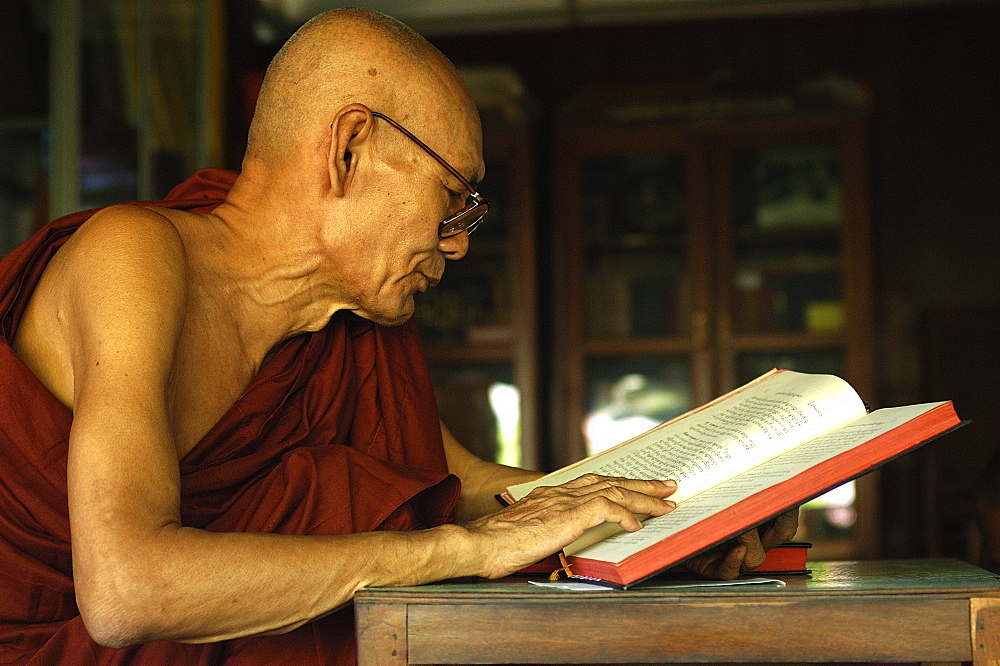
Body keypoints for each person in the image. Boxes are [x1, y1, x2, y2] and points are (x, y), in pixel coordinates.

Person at [0, 8, 797, 663]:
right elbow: (125, 590)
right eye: (454, 197)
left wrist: (684, 513)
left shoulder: (346, 328)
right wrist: (460, 552)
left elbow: (476, 487)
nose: (458, 243)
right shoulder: (136, 254)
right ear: (348, 150)